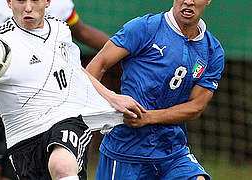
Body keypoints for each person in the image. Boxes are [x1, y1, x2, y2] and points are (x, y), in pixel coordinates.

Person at [0, 0, 144, 179]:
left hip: (66, 119)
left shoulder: (61, 29)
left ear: (48, 1)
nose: (27, 7)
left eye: (34, 0)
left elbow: (76, 71)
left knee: (61, 166)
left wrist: (112, 97)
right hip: (23, 140)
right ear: (9, 2)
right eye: (20, 1)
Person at [86, 0, 225, 179]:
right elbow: (97, 66)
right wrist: (96, 110)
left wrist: (149, 118)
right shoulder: (144, 28)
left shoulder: (212, 51)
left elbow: (196, 106)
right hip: (126, 150)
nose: (188, 1)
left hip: (172, 151)